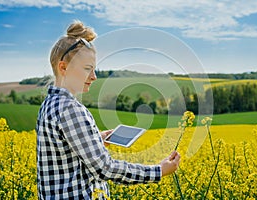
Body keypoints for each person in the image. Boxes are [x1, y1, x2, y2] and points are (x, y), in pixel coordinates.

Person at [36, 20, 180, 199]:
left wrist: (95, 139)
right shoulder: (70, 110)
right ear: (63, 67)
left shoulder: (49, 104)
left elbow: (62, 155)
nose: (94, 77)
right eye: (88, 69)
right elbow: (105, 168)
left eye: (94, 69)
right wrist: (158, 171)